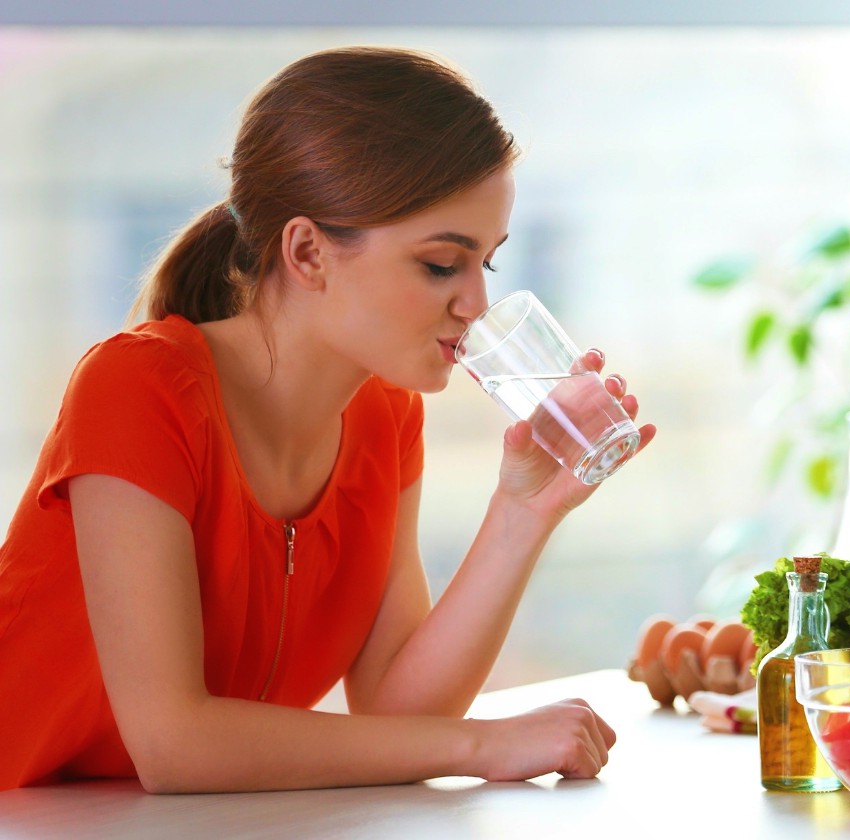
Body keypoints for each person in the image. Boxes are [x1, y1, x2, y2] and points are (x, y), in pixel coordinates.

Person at [0, 45, 654, 792]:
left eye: (488, 265)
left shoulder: (386, 414)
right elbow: (175, 743)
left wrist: (523, 511)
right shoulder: (136, 387)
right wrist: (480, 746)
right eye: (442, 264)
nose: (475, 304)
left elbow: (398, 713)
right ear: (308, 252)